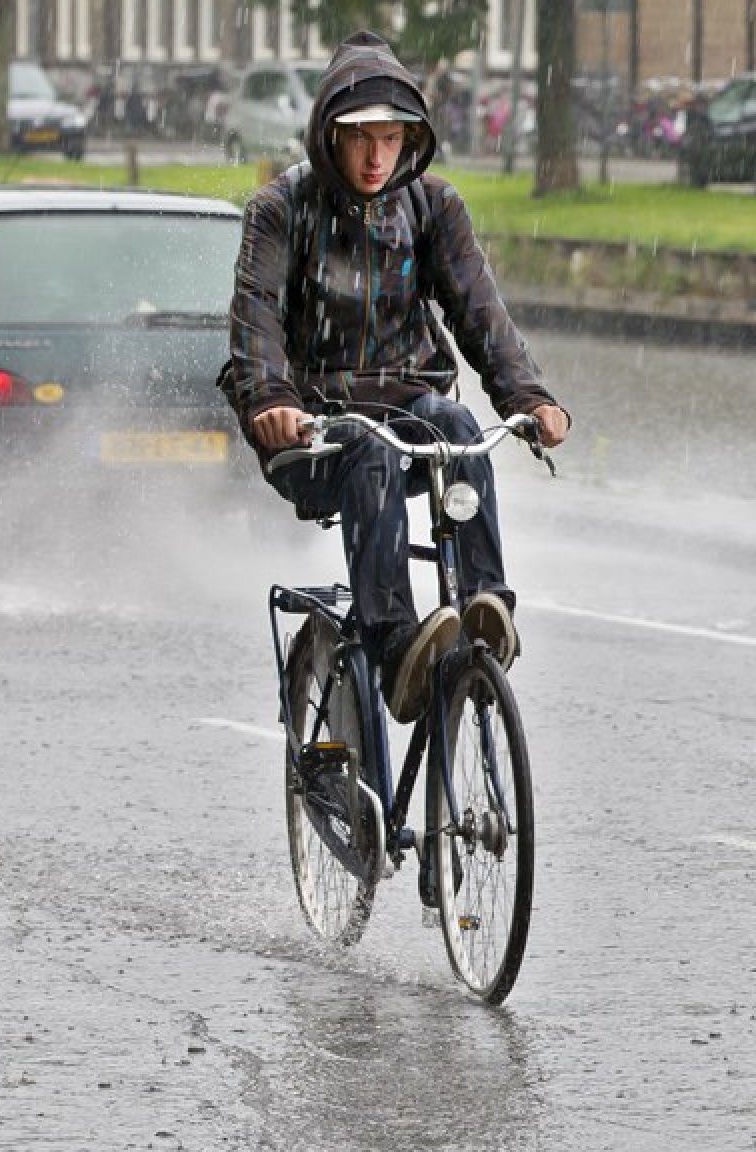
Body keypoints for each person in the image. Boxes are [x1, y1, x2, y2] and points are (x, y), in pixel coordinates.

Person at [222, 30, 571, 726]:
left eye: (391, 138)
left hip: (408, 399)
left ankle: (486, 606)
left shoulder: (434, 207)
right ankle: (394, 646)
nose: (378, 156)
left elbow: (481, 313)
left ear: (411, 138)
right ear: (329, 137)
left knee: (458, 426)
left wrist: (528, 396)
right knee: (371, 450)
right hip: (317, 426)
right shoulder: (279, 210)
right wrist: (272, 399)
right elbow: (255, 317)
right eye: (360, 139)